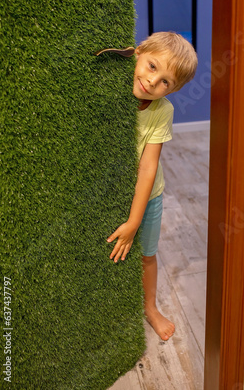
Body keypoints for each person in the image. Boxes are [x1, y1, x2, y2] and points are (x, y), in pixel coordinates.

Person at [107, 31, 198, 341]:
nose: (152, 82)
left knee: (147, 254)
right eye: (151, 66)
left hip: (150, 195)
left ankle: (150, 307)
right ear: (138, 53)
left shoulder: (163, 111)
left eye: (166, 83)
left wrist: (135, 221)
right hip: (110, 191)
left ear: (174, 90)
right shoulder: (112, 88)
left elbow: (148, 167)